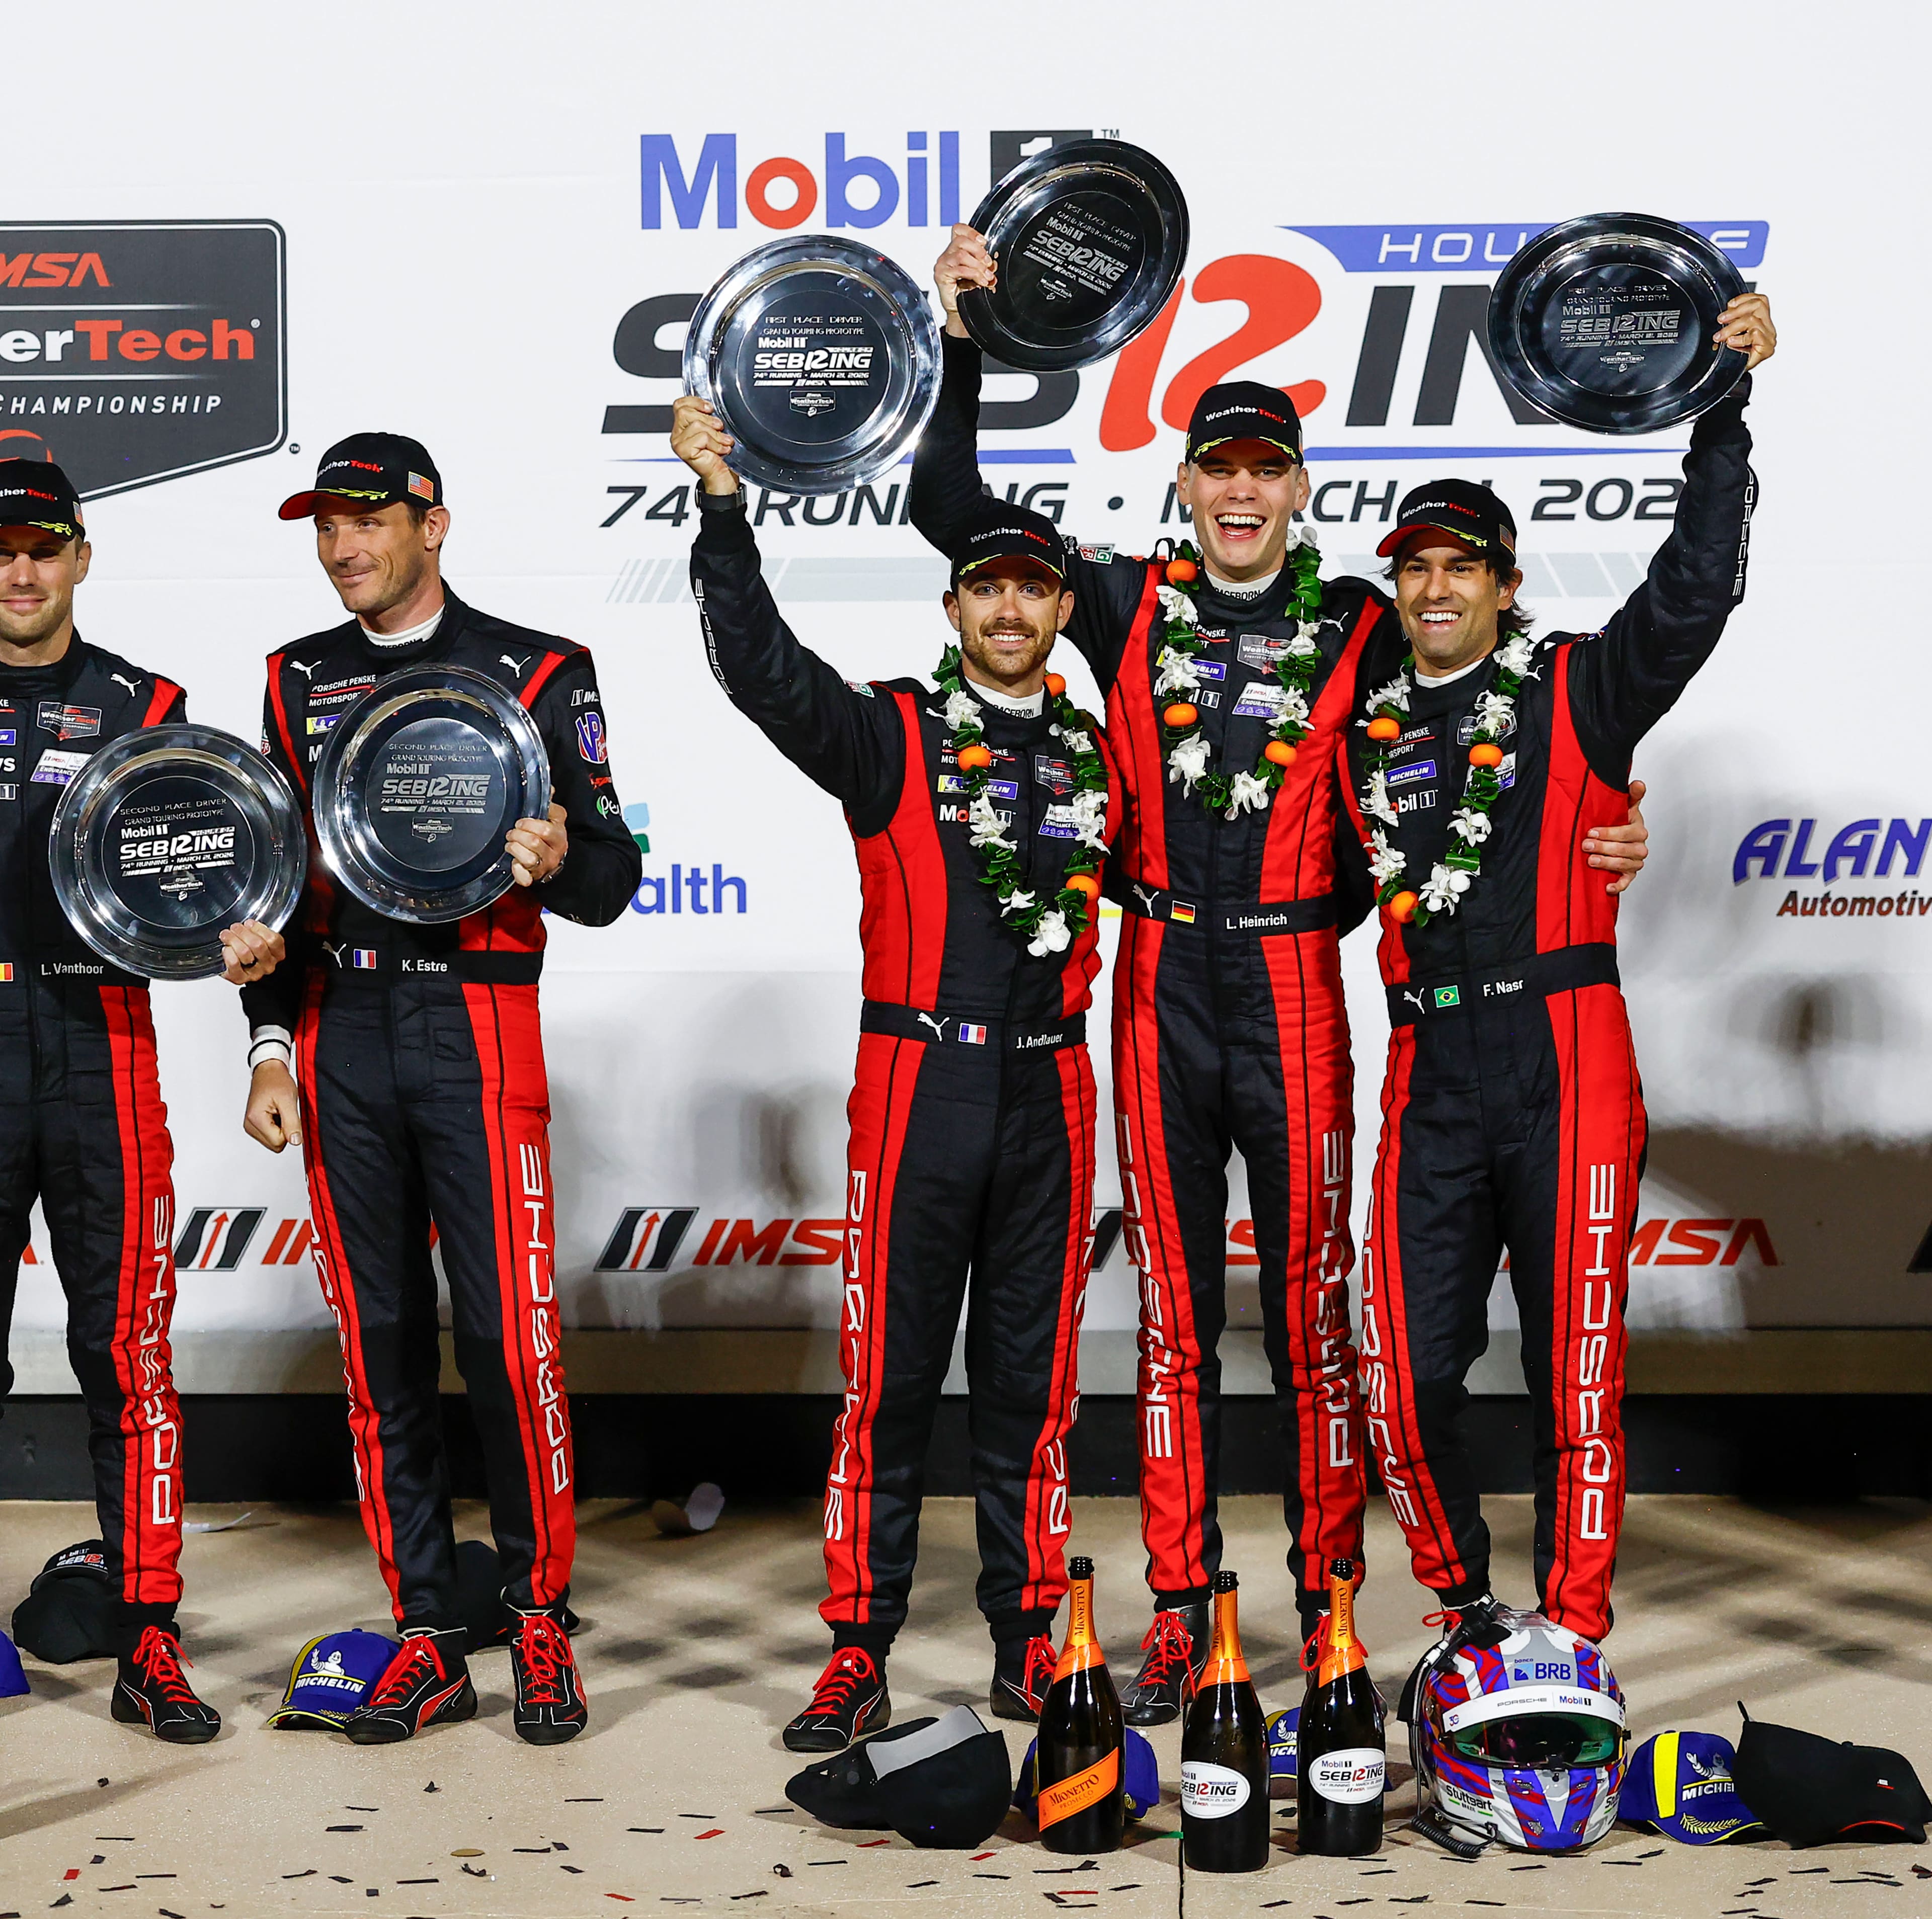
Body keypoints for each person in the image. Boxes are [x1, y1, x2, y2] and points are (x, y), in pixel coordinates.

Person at [910, 227, 1651, 1723]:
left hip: (1303, 987)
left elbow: (1513, 697)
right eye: (1217, 468)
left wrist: (1610, 815)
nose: (1241, 493)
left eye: (1267, 469)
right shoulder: (1117, 603)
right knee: (1178, 1313)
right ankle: (1182, 1604)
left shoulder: (1371, 623)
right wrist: (970, 337)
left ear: (1300, 491)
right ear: (1181, 486)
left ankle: (1326, 1607)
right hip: (1161, 973)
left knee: (1314, 1313)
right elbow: (945, 507)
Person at [672, 393, 1121, 1750]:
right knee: (890, 1381)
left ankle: (1024, 1644)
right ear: (952, 608)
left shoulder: (1116, 758)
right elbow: (758, 667)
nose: (1008, 609)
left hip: (1052, 1090)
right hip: (918, 1083)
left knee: (1034, 1387)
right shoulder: (890, 735)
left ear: (1059, 612)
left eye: (1032, 589)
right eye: (985, 587)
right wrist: (723, 510)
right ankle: (855, 1650)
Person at [1339, 295, 1777, 1655]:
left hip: (1568, 1050)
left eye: (1462, 567)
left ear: (1506, 584)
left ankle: (1573, 1638)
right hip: (1429, 1063)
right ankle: (1469, 1610)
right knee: (1400, 1378)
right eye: (1415, 568)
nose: (1435, 588)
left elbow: (1696, 585)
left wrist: (1721, 405)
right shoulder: (1354, 719)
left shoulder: (1582, 688)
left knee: (1577, 1378)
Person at [238, 433, 641, 1745]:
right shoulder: (296, 678)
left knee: (512, 1345)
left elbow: (612, 878)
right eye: (325, 526)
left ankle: (534, 1618)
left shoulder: (533, 671)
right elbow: (282, 892)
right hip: (344, 1020)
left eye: (366, 520)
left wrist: (557, 861)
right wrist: (268, 1039)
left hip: (479, 1016)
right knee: (380, 1345)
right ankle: (425, 1628)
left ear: (434, 524)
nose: (343, 545)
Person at [0, 458, 275, 1743]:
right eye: (1, 550)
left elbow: (225, 901)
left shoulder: (146, 707)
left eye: (43, 547)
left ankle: (150, 1635)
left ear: (81, 555)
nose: (20, 572)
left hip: (101, 1039)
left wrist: (264, 1022)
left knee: (128, 1358)